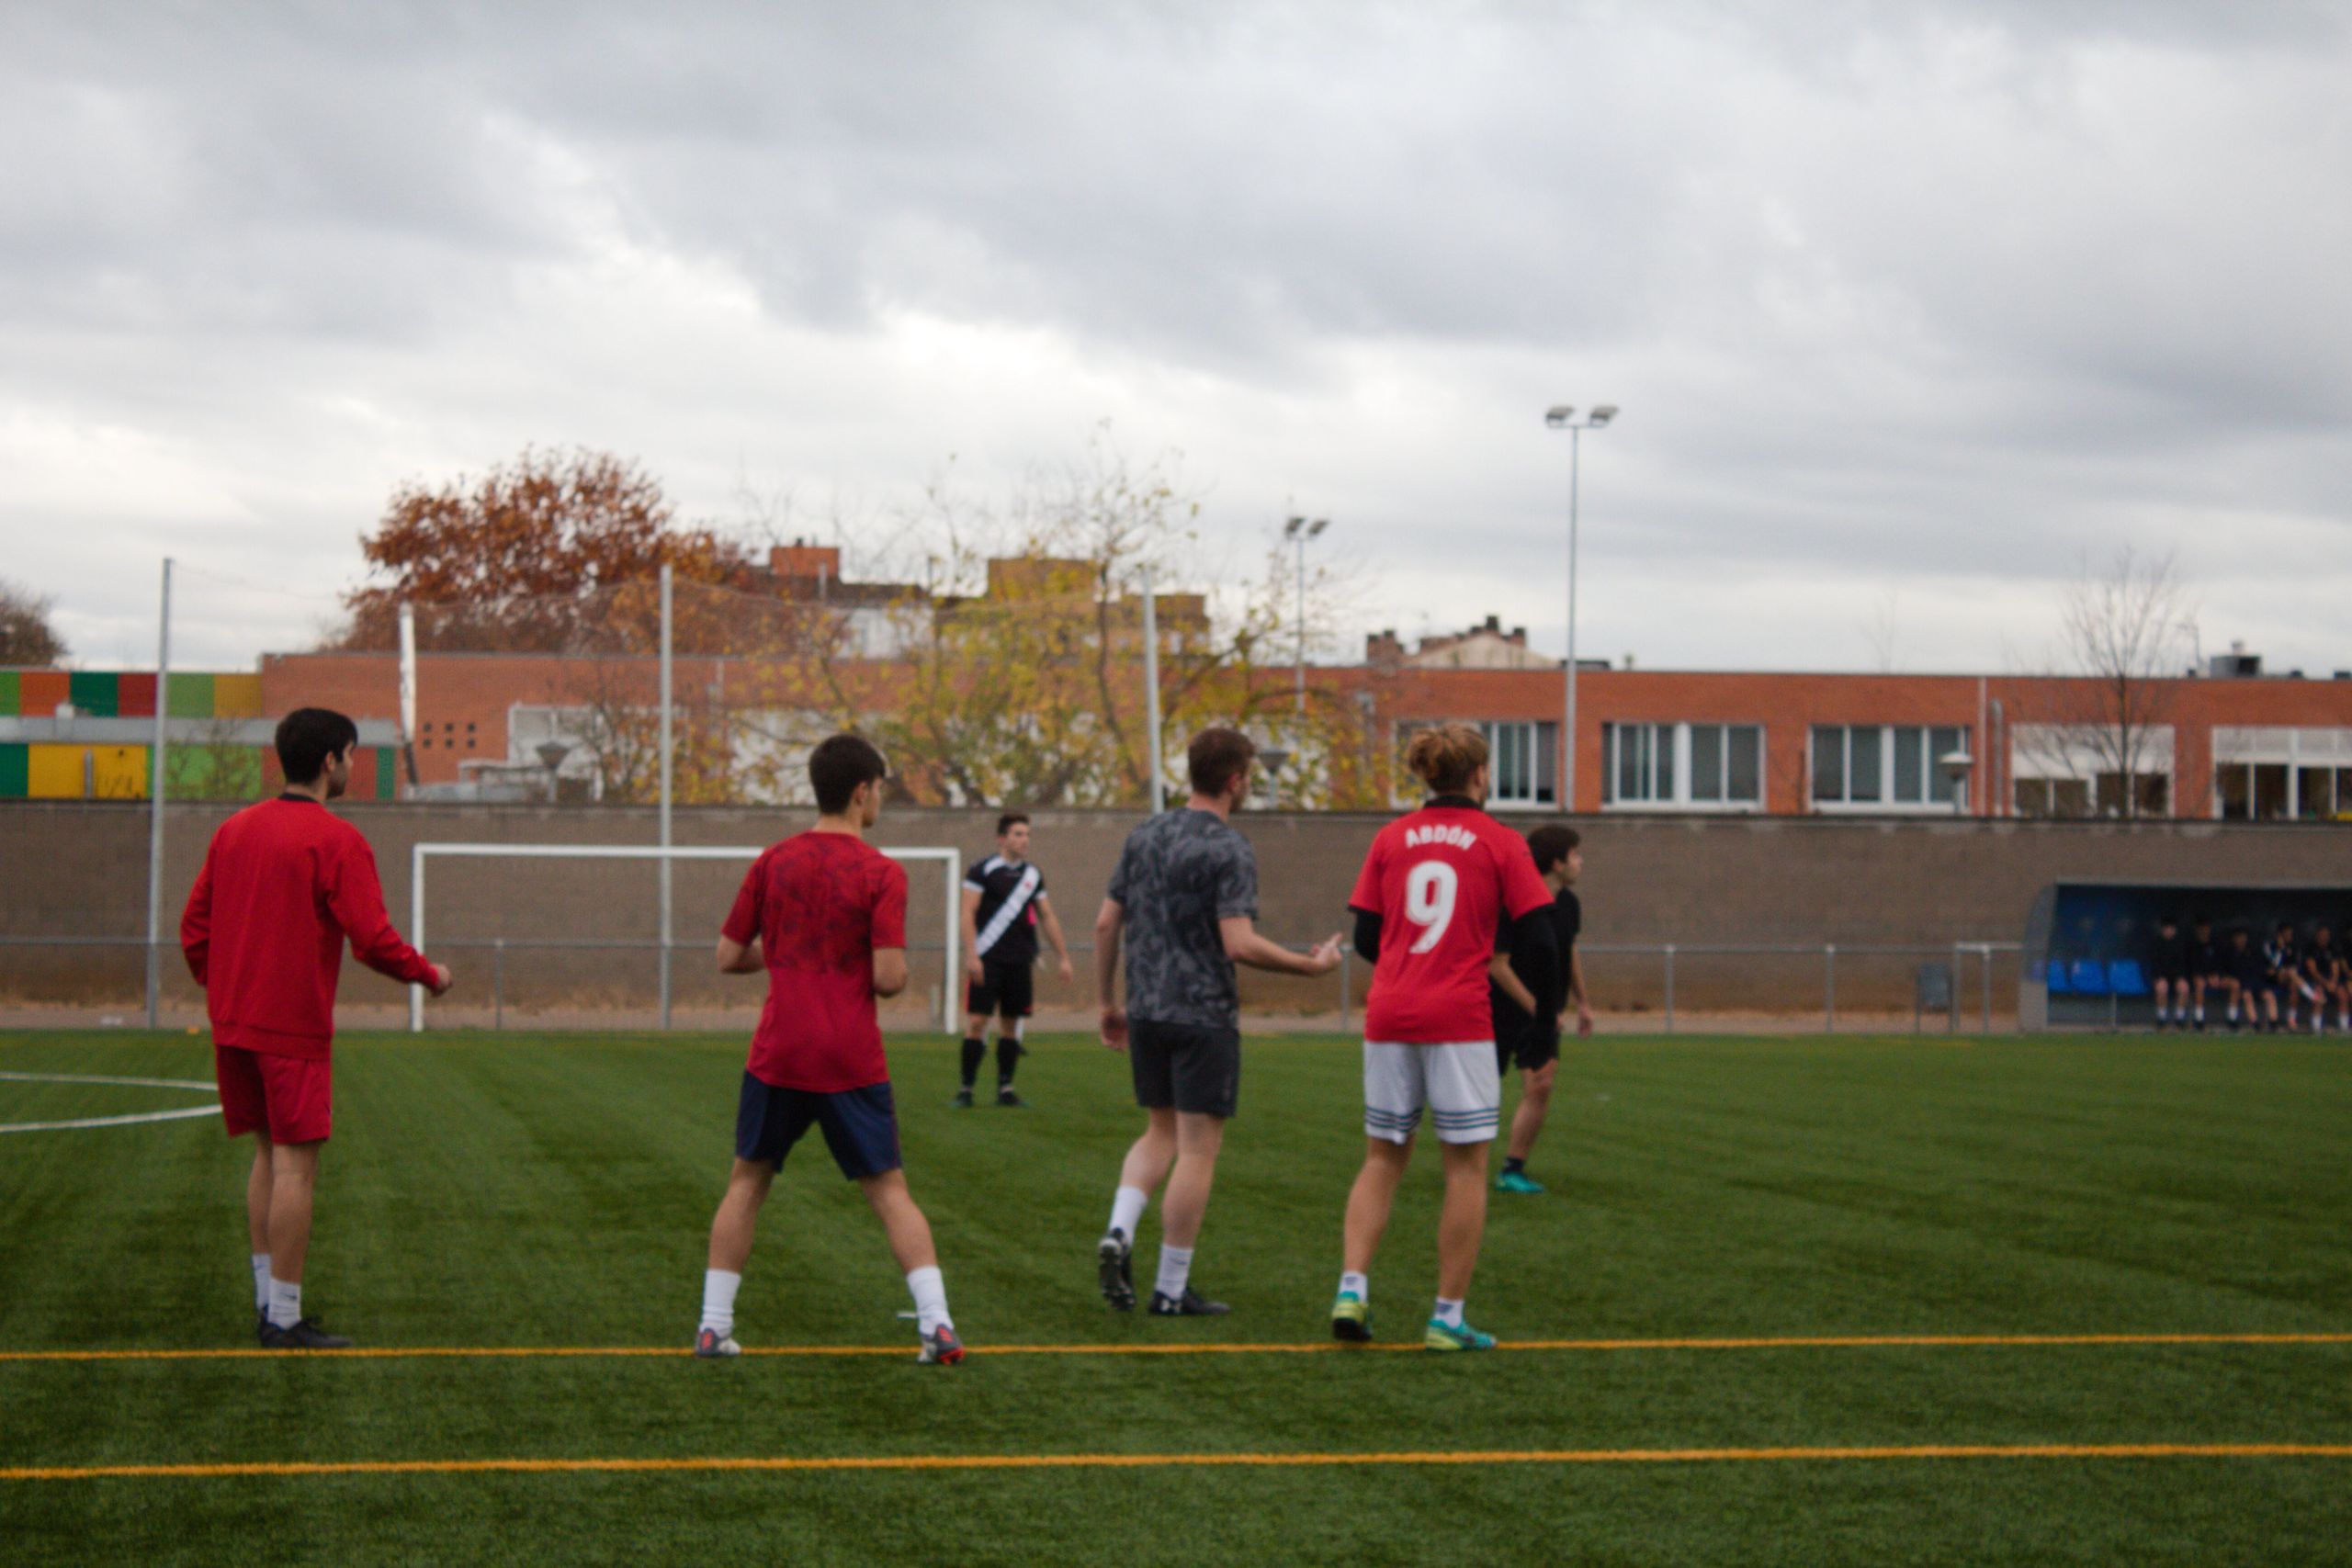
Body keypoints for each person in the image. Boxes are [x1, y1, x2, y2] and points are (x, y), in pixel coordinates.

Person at [179, 707, 454, 1350]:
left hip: (235, 1025)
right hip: (290, 1029)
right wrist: (429, 974)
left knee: (267, 1155)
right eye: (352, 755)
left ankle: (267, 1300)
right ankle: (283, 1317)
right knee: (296, 1168)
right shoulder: (336, 840)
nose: (353, 765)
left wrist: (228, 989)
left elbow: (195, 929)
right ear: (331, 761)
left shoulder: (234, 830)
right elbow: (372, 939)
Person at [694, 734, 963, 1365]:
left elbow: (728, 957)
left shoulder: (772, 861)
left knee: (747, 1182)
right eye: (881, 789)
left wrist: (790, 953)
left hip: (780, 1051)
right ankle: (938, 1326)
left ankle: (712, 1326)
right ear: (862, 791)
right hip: (849, 1056)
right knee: (889, 1191)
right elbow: (889, 978)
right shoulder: (882, 872)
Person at [1091, 728, 1342, 1317]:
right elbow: (1239, 943)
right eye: (1248, 776)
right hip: (1202, 1017)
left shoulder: (1144, 834)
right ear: (1234, 781)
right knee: (1197, 1151)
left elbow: (1105, 924)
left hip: (1147, 1010)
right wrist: (1309, 967)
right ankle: (1170, 1290)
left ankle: (1119, 1229)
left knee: (1159, 1132)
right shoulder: (1230, 848)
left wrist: (1107, 1002)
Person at [1330, 724, 1558, 1351]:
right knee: (1465, 1168)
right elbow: (1541, 938)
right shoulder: (1501, 840)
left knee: (1382, 1157)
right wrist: (1543, 1016)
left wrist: (1409, 968)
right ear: (1480, 774)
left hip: (1389, 1013)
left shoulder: (1390, 837)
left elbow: (1368, 937)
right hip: (1459, 1016)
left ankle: (1351, 1289)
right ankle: (1446, 1318)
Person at [956, 812, 1075, 1108]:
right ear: (1002, 839)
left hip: (1019, 961)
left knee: (1011, 1024)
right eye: (1018, 834)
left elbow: (1047, 915)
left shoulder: (1033, 875)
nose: (1025, 840)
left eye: (1027, 835)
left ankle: (1005, 1089)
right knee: (977, 1021)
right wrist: (972, 954)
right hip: (987, 958)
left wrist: (1063, 957)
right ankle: (966, 1089)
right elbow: (967, 913)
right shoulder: (982, 870)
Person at [1494, 825, 1589, 1195]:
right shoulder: (1512, 902)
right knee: (1481, 1092)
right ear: (1557, 863)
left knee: (1541, 1084)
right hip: (1498, 1009)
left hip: (1542, 1014)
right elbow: (1497, 965)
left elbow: (1569, 950)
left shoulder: (1569, 904)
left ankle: (1512, 1169)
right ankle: (1466, 1163)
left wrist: (1583, 1002)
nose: (1581, 862)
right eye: (1576, 855)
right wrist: (1539, 1008)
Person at [2188, 915, 2231, 1033]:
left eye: (2206, 927)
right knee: (2200, 984)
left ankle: (2232, 1019)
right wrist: (2207, 976)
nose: (2204, 930)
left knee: (2235, 984)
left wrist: (2217, 975)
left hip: (2215, 977)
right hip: (2199, 977)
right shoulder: (2192, 944)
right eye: (2201, 928)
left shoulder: (2216, 943)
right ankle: (2199, 1020)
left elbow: (2221, 963)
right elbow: (2193, 965)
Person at [2301, 925, 2346, 1033]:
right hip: (2315, 981)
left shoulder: (2332, 948)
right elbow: (2313, 971)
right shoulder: (2310, 949)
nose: (2325, 938)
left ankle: (2344, 1027)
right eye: (2322, 935)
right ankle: (2316, 1028)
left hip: (2330, 981)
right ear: (2317, 936)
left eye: (2327, 936)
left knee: (2342, 994)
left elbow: (2335, 968)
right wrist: (2326, 983)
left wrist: (2333, 982)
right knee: (2319, 995)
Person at [2148, 913, 2189, 1032]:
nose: (2168, 931)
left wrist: (2181, 978)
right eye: (2166, 928)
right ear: (2162, 930)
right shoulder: (2157, 943)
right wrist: (2159, 978)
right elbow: (2155, 964)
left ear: (2175, 930)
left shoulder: (2180, 943)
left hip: (2176, 976)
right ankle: (2161, 1019)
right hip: (2161, 976)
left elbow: (2183, 964)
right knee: (2162, 987)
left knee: (2184, 988)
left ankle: (2179, 1019)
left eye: (2171, 928)